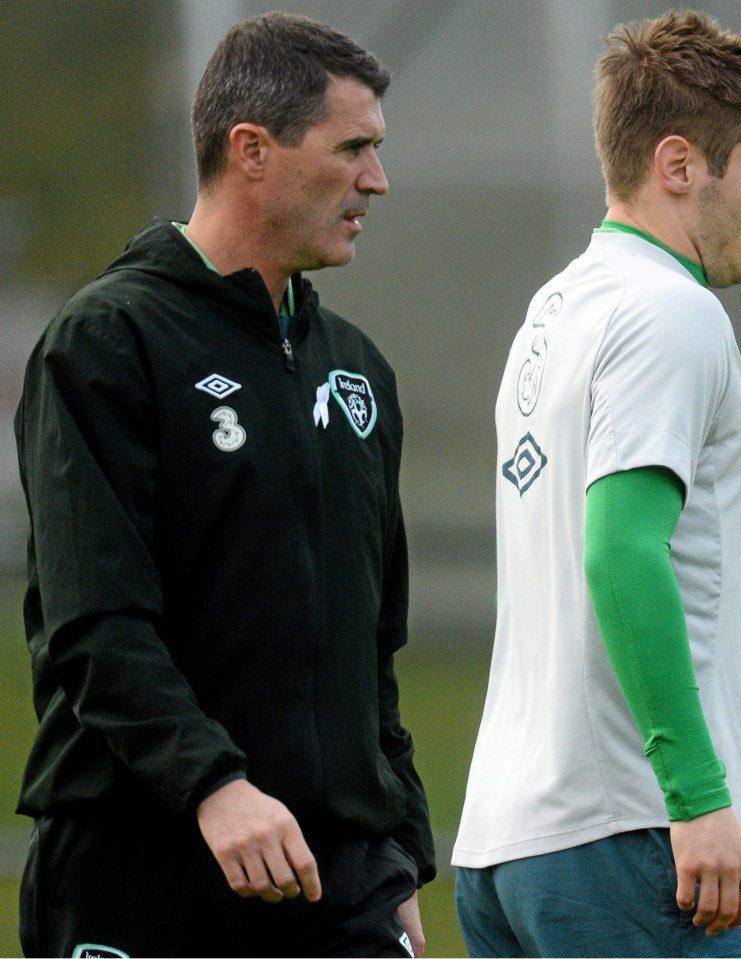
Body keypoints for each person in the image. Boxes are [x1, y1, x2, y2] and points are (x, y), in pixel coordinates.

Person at [14, 11, 435, 958]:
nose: (377, 179)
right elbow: (97, 625)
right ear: (252, 150)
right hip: (142, 870)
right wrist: (214, 786)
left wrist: (397, 842)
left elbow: (373, 645)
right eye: (353, 148)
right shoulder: (108, 343)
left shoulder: (356, 370)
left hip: (336, 879)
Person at [452, 10, 741, 958]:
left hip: (506, 843)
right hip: (636, 841)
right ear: (678, 164)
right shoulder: (670, 313)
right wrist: (698, 798)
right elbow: (619, 552)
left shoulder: (555, 310)